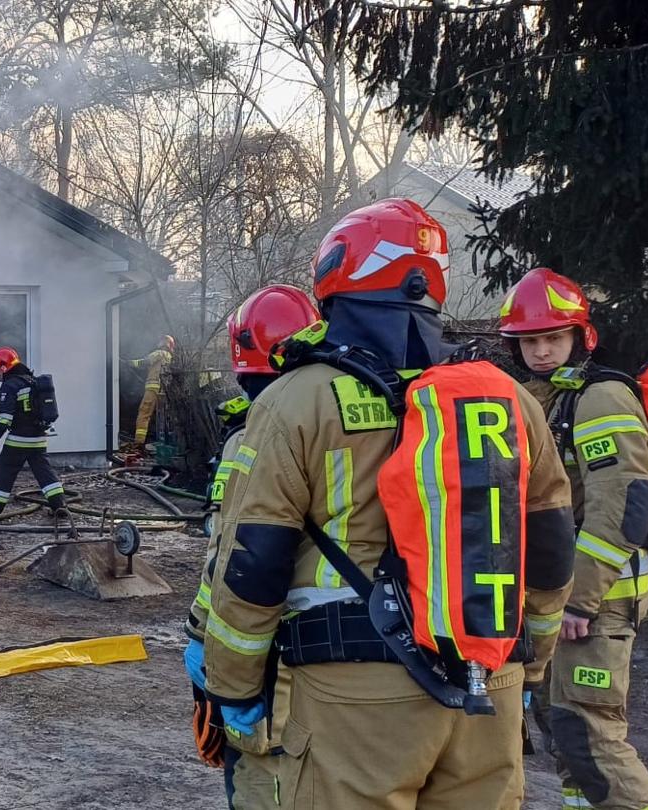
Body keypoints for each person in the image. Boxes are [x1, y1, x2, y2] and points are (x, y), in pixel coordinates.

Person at [202, 198, 577, 809]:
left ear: (335, 276)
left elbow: (253, 560)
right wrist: (529, 662)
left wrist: (235, 691)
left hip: (355, 695)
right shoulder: (507, 399)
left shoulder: (297, 400)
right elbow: (552, 546)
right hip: (490, 680)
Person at [498, 267, 648, 810]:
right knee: (565, 739)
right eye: (530, 340)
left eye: (553, 338)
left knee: (590, 737)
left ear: (579, 338)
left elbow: (625, 503)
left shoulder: (602, 398)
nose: (542, 351)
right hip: (554, 603)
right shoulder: (540, 398)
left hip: (596, 601)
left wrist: (581, 599)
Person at [185, 284, 320, 809]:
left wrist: (202, 636)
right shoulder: (351, 418)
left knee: (263, 776)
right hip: (348, 658)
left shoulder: (254, 438)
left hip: (272, 659)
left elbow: (234, 554)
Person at [0, 347, 66, 519]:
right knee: (44, 472)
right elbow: (26, 408)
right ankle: (60, 506)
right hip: (38, 439)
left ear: (4, 366)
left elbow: (5, 419)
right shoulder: (30, 381)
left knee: (5, 470)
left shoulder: (10, 385)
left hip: (19, 440)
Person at [128, 334, 176, 450]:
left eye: (160, 341)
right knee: (162, 417)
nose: (158, 343)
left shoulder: (159, 353)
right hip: (164, 391)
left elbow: (144, 362)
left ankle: (139, 443)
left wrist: (129, 362)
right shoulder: (170, 357)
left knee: (144, 413)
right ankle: (164, 442)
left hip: (153, 388)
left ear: (164, 343)